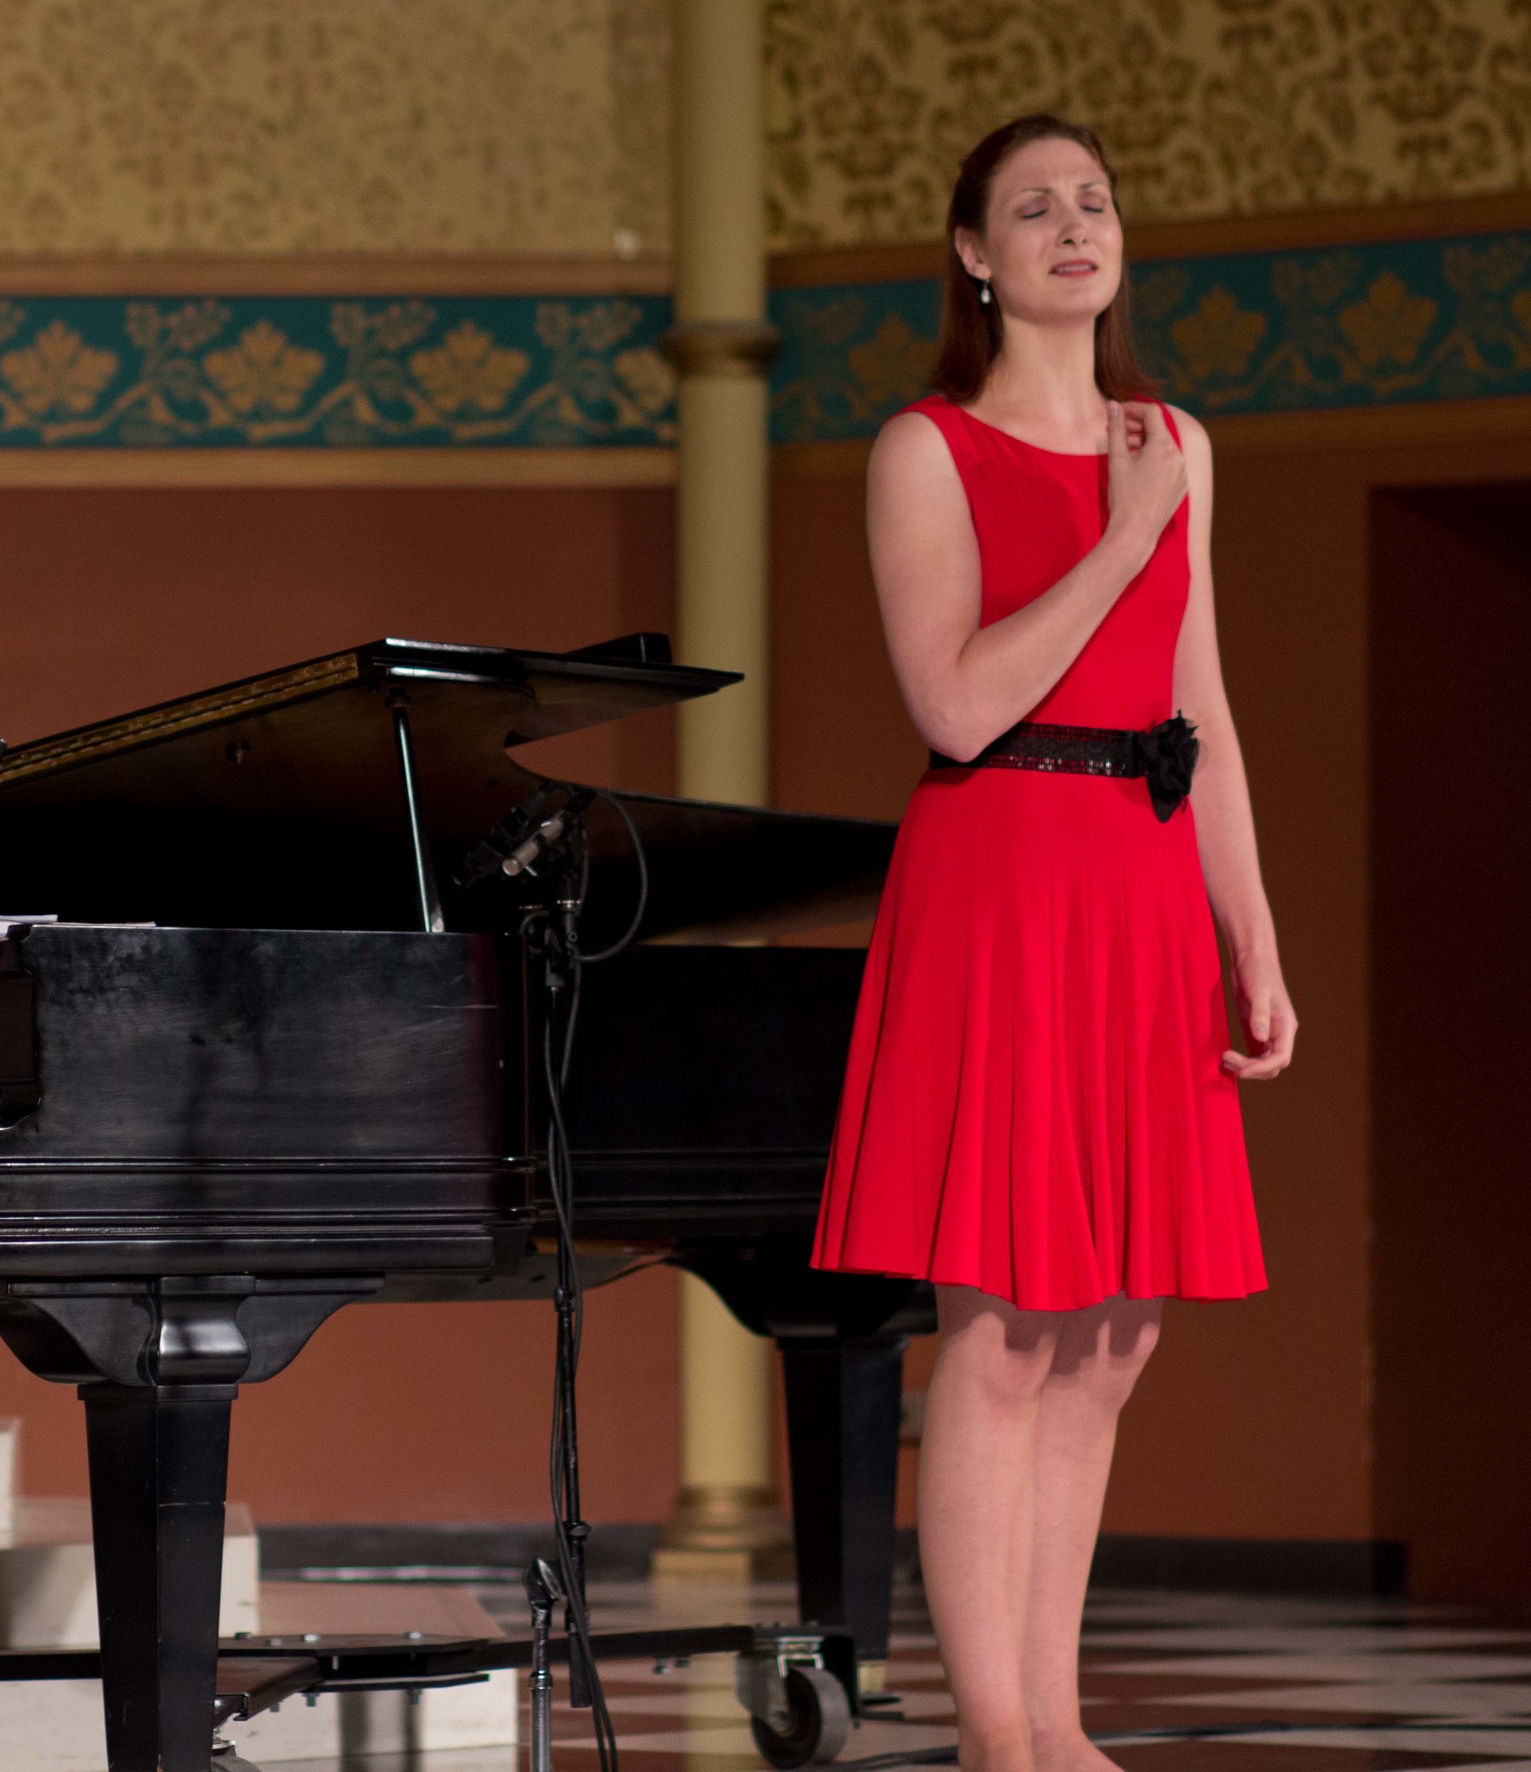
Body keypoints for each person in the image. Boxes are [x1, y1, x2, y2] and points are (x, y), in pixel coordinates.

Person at [811, 116, 1295, 1772]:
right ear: (975, 254)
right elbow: (956, 699)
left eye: (1093, 202)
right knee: (1005, 1325)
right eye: (1034, 208)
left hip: (1145, 886)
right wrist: (1114, 534)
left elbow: (1201, 706)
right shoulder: (925, 448)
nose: (1074, 227)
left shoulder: (1178, 441)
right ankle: (995, 1735)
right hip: (1004, 875)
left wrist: (1255, 934)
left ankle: (1060, 1716)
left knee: (1117, 1329)